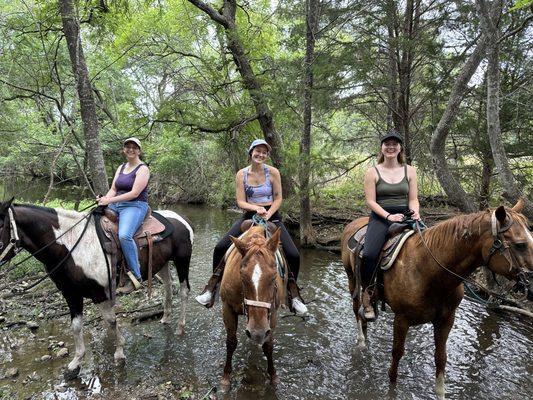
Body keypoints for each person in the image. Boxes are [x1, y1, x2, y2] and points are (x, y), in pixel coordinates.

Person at [195, 139, 308, 315]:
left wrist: (268, 215)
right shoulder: (242, 174)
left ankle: (293, 294)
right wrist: (256, 208)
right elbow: (241, 201)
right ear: (251, 152)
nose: (260, 155)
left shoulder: (273, 172)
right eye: (258, 151)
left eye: (264, 152)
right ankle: (212, 288)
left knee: (293, 254)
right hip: (249, 215)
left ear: (267, 155)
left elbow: (278, 198)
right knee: (220, 247)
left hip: (272, 216)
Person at [362, 129, 420, 320]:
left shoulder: (409, 170)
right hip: (381, 217)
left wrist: (415, 211)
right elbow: (370, 201)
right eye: (387, 144)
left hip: (405, 215)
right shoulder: (373, 171)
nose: (391, 147)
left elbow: (413, 199)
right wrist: (388, 216)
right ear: (382, 147)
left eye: (394, 144)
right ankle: (367, 296)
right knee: (369, 254)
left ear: (400, 147)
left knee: (429, 247)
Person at [97, 137, 150, 294]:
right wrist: (104, 200)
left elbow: (134, 193)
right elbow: (113, 189)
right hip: (116, 204)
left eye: (134, 147)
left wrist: (110, 200)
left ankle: (136, 277)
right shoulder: (121, 167)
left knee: (124, 235)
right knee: (93, 222)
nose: (131, 149)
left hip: (135, 205)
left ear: (139, 151)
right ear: (124, 150)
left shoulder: (143, 169)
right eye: (128, 146)